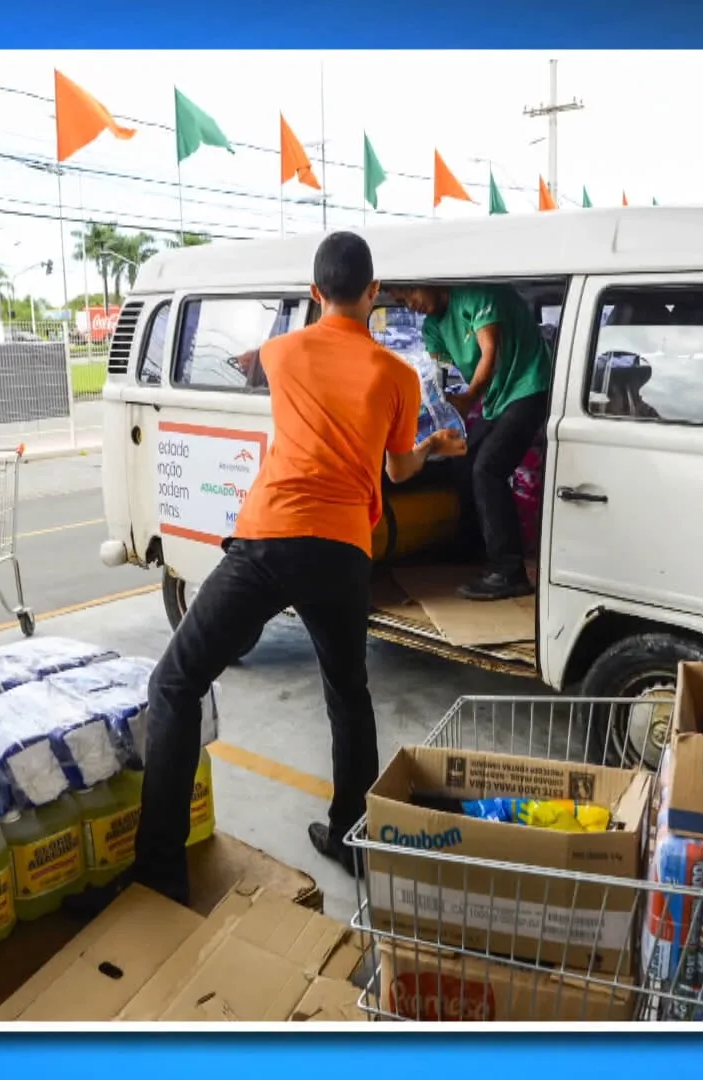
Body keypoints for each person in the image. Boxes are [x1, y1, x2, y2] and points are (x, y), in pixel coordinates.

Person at [132, 233, 467, 903]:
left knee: (175, 684)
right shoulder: (397, 375)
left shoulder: (281, 352)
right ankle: (350, 836)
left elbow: (256, 371)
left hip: (270, 539)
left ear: (315, 292)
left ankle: (161, 872)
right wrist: (433, 443)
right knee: (349, 694)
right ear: (373, 293)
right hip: (344, 549)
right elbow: (397, 468)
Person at [395, 284, 552, 601]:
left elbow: (489, 354)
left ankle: (510, 571)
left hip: (529, 386)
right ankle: (472, 547)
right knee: (463, 460)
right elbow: (438, 374)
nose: (411, 305)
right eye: (401, 302)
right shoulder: (432, 327)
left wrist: (468, 398)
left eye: (410, 293)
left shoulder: (478, 297)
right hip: (498, 398)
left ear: (429, 281)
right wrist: (429, 408)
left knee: (488, 469)